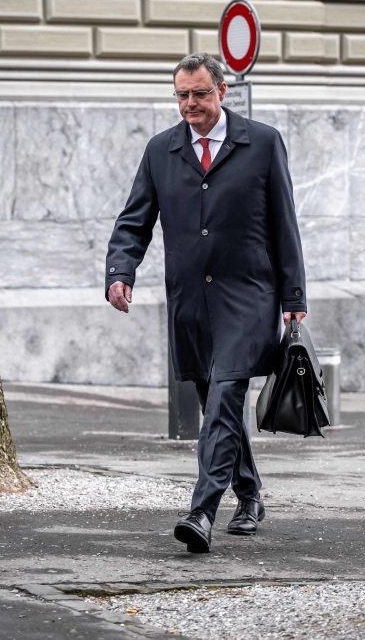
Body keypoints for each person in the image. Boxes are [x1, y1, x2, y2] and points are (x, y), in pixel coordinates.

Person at [105, 53, 307, 553]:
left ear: (222, 91)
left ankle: (202, 511)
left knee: (223, 400)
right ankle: (251, 493)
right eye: (181, 95)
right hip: (191, 300)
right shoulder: (161, 150)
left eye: (199, 94)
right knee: (216, 403)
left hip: (248, 295)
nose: (189, 104)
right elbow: (135, 220)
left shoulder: (261, 143)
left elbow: (285, 222)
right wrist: (119, 272)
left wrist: (292, 294)